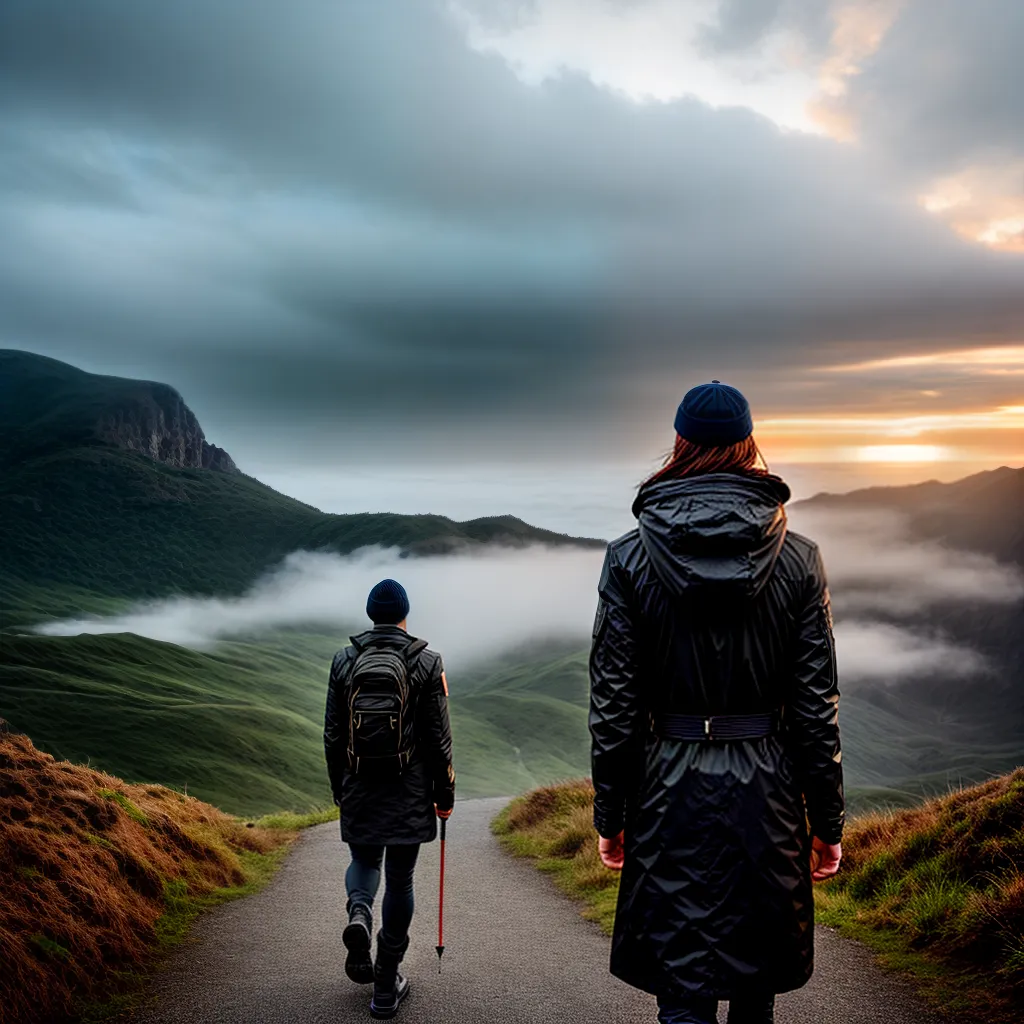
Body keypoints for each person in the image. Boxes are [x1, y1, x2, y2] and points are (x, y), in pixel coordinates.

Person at [589, 381, 844, 1024]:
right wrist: (828, 825)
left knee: (682, 983)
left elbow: (614, 702)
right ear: (747, 444)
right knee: (754, 983)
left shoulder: (629, 557)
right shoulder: (800, 558)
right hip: (769, 789)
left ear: (679, 444)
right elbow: (816, 706)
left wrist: (611, 814)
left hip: (667, 788)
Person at [325, 579, 456, 1020]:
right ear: (404, 614)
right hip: (409, 790)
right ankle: (385, 986)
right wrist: (445, 794)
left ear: (370, 615)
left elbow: (332, 734)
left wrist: (340, 788)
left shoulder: (344, 661)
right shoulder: (427, 661)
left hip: (358, 785)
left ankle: (359, 912)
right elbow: (438, 739)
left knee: (364, 863)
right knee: (400, 880)